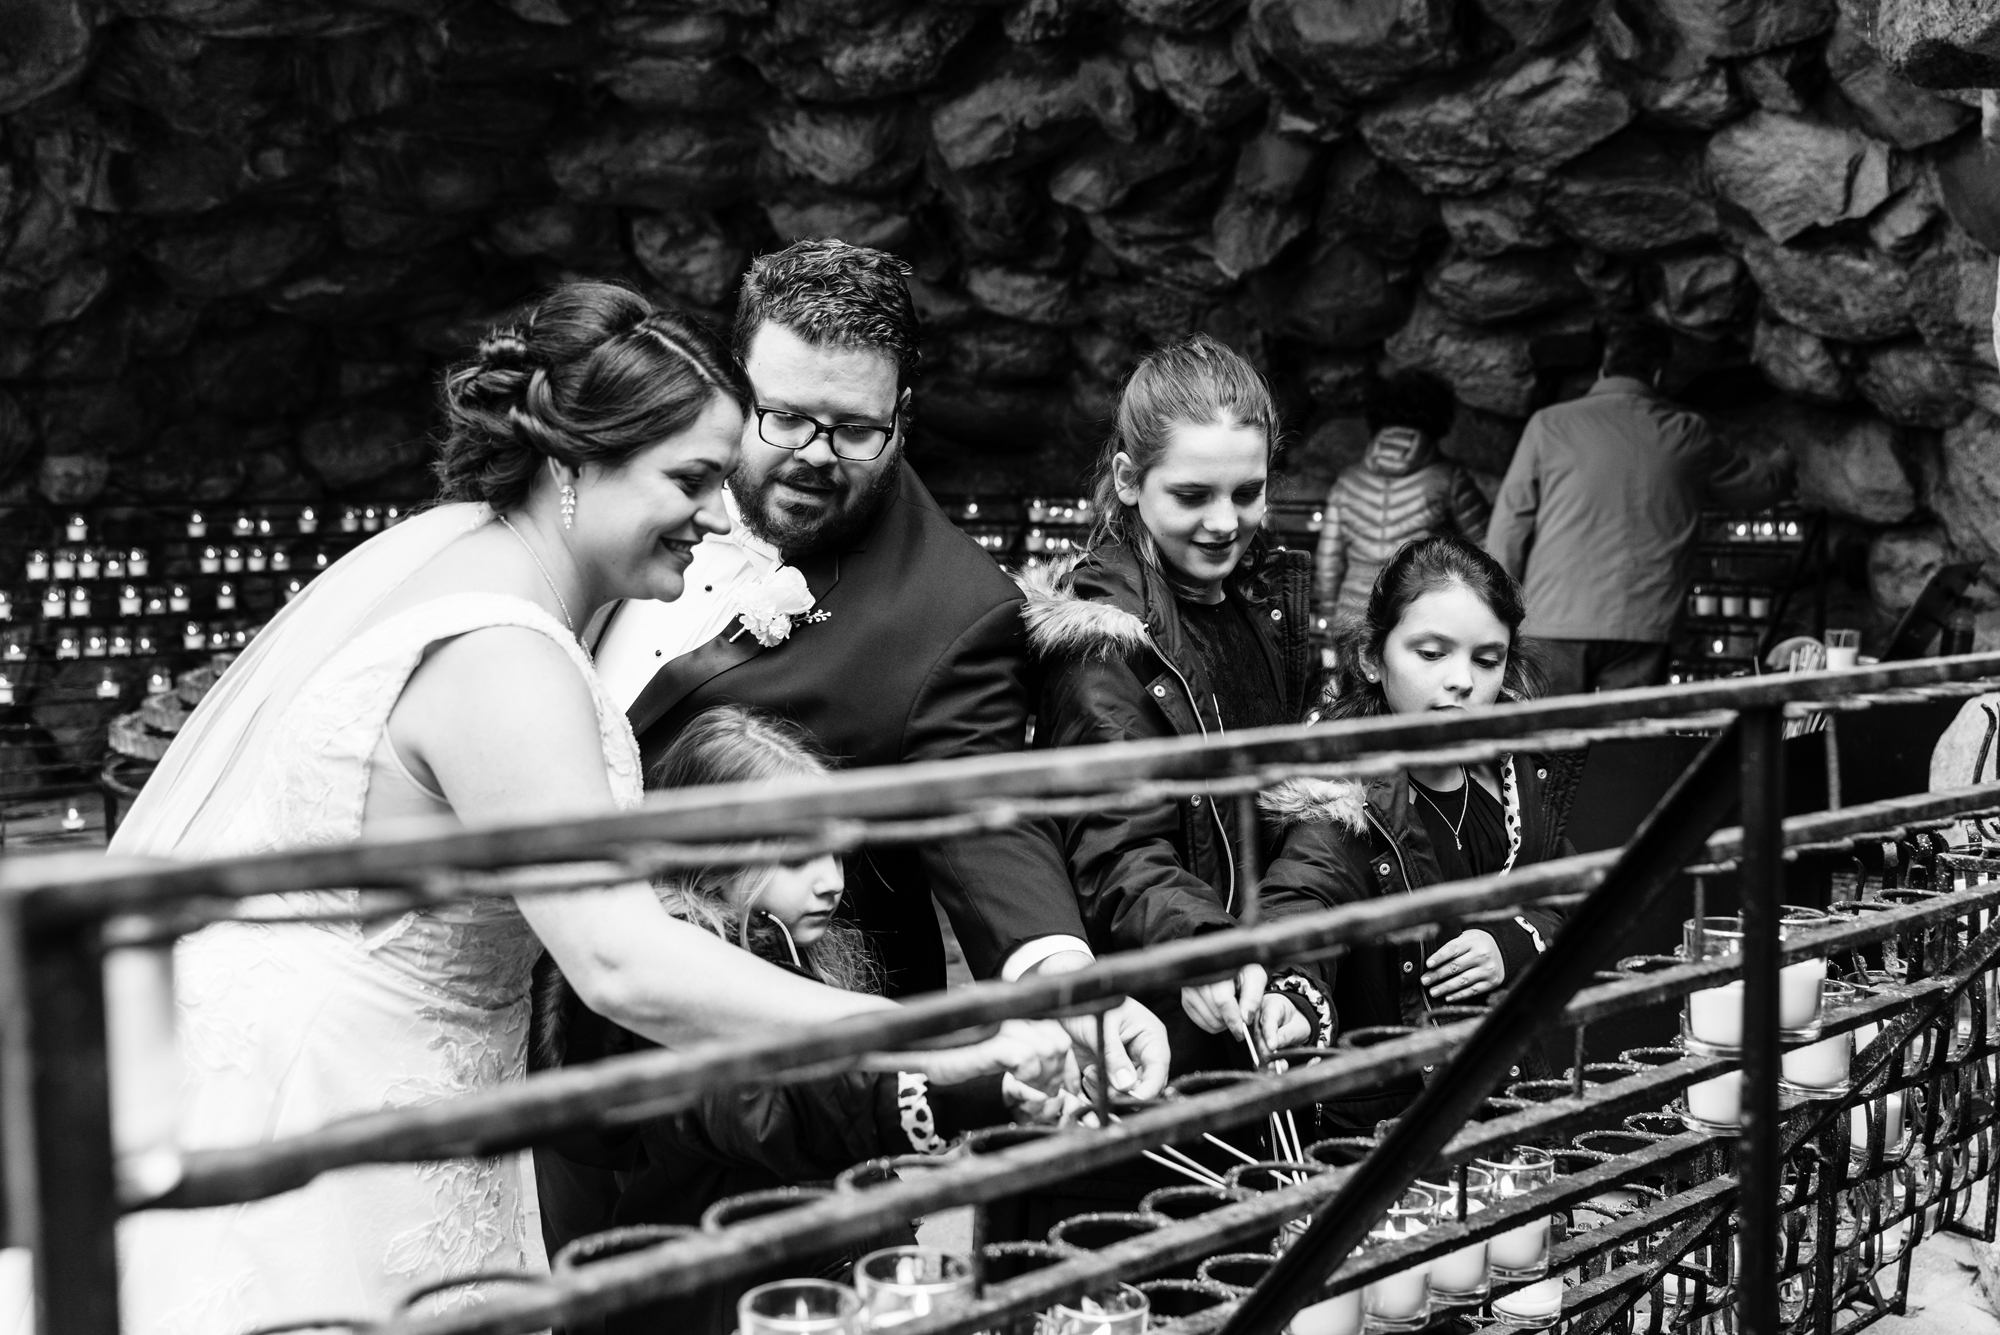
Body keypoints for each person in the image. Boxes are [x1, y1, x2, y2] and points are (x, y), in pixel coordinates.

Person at [108, 281, 1064, 1335]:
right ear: (572, 467)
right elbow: (620, 959)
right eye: (691, 478)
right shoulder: (502, 658)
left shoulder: (471, 560)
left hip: (430, 1079)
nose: (720, 511)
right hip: (348, 1097)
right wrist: (922, 1039)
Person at [586, 240, 1169, 1089]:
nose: (816, 454)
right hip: (555, 1038)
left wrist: (1061, 982)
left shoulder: (951, 607)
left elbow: (981, 812)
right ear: (731, 380)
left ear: (902, 411)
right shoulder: (630, 478)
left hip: (769, 1095)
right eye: (783, 416)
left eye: (856, 429)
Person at [535, 707, 1041, 1334]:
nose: (832, 882)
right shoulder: (680, 988)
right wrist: (946, 1091)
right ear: (714, 855)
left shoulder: (776, 951)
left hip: (810, 1281)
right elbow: (768, 1097)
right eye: (798, 857)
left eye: (837, 854)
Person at [1023, 334, 1330, 1075]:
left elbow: (1297, 811)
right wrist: (1204, 946)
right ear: (1129, 480)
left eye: (1247, 492)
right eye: (1193, 495)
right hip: (1151, 1013)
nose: (1226, 522)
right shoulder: (1102, 637)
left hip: (1257, 993)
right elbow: (1115, 847)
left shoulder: (1267, 609)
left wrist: (1293, 961)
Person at [1258, 533, 1573, 1129]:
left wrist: (1515, 942)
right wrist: (1293, 988)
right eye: (1432, 654)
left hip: (1501, 1107)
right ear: (1374, 660)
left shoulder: (1518, 781)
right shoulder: (1344, 798)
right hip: (1384, 1128)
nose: (1462, 682)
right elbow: (1305, 895)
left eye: (1487, 660)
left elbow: (1564, 896)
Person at [1485, 321, 1789, 695]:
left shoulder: (1549, 425)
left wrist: (1498, 611)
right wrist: (1784, 461)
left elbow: (1509, 526)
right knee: (1625, 746)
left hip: (1555, 619)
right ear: (1659, 375)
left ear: (1603, 368)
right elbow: (1756, 491)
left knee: (1549, 744)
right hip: (1646, 624)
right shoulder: (1689, 433)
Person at [1316, 370, 1489, 629]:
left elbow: (1328, 560)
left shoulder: (1347, 481)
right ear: (1440, 417)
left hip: (1352, 620)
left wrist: (1330, 618)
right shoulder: (1450, 478)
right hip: (1420, 617)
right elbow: (1487, 549)